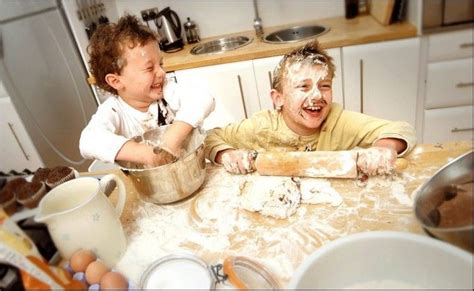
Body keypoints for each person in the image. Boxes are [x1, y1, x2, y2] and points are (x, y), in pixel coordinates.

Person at [204, 40, 416, 175]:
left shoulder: (338, 121)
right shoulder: (262, 127)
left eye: (324, 86)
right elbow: (210, 137)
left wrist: (383, 148)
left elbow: (401, 128)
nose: (317, 95)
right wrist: (227, 154)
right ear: (278, 99)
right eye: (303, 87)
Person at [80, 15, 214, 167]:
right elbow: (88, 141)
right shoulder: (113, 111)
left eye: (160, 64)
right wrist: (147, 154)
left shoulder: (166, 90)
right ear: (116, 81)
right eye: (150, 68)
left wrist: (172, 139)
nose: (161, 73)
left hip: (190, 169)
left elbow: (204, 98)